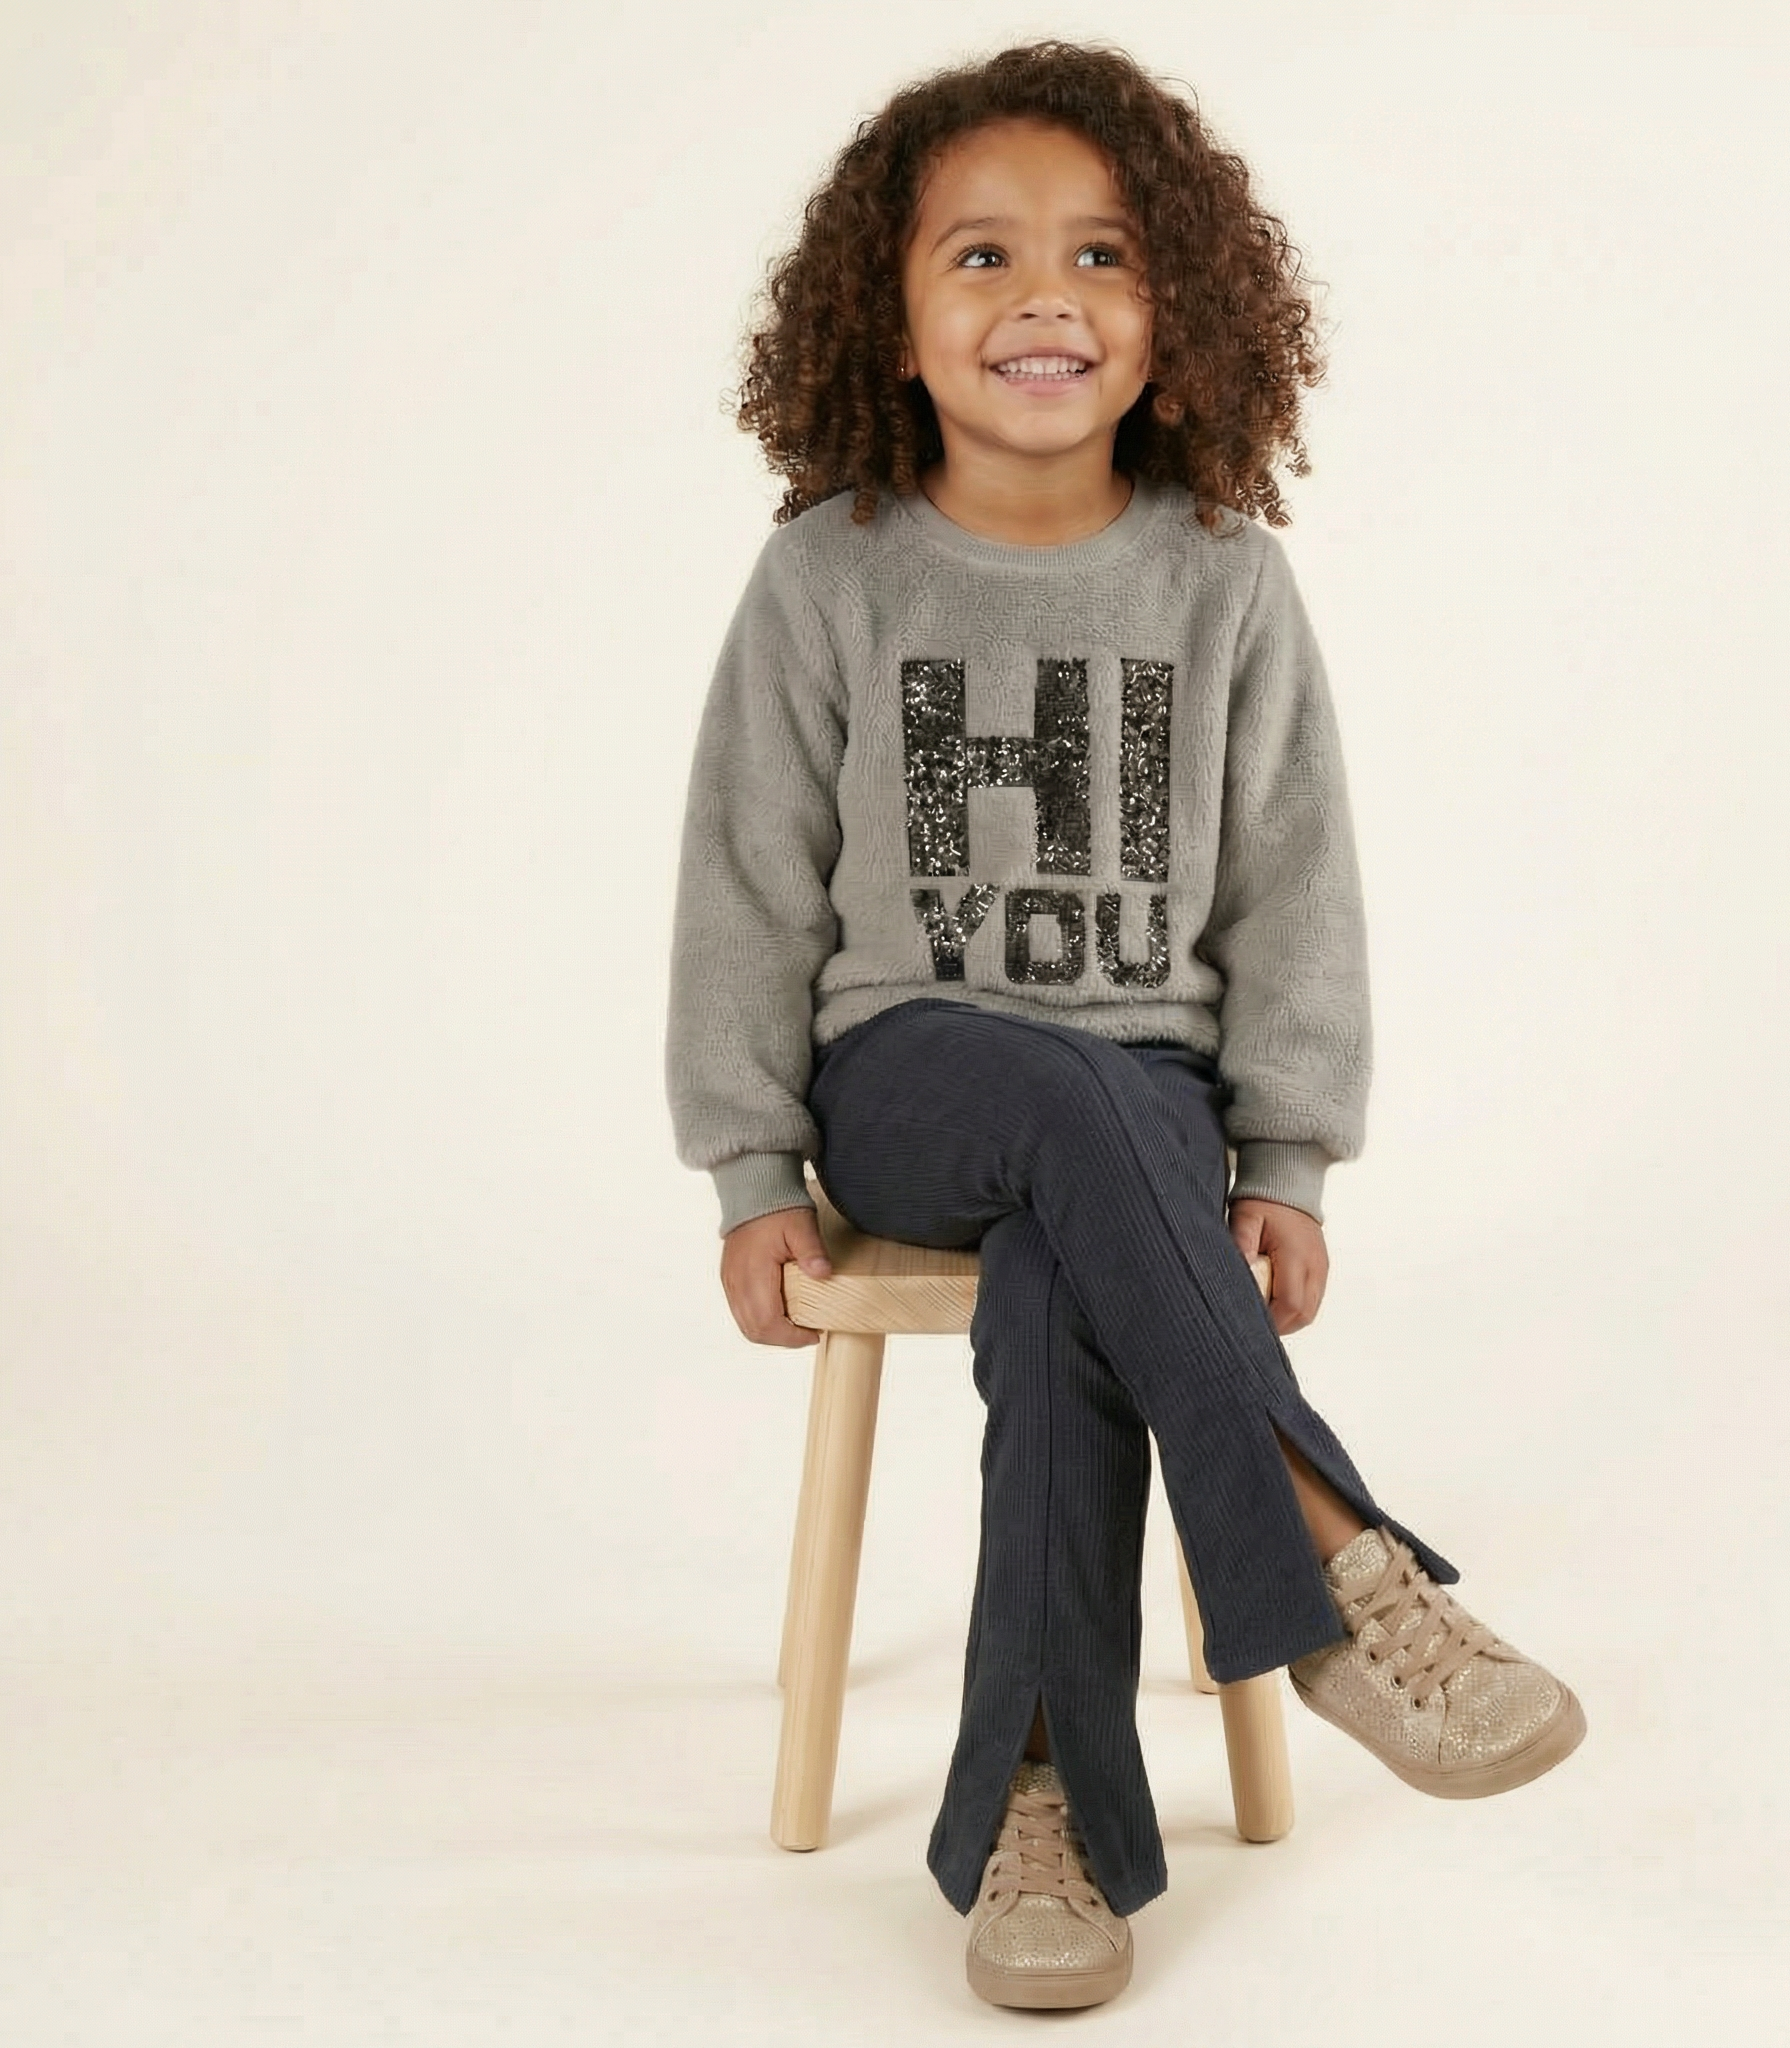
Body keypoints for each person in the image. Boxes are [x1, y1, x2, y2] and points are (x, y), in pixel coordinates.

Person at [666, 39, 1585, 2011]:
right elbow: (745, 880)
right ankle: (1332, 1561)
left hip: (1149, 1109)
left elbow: (1293, 888)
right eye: (981, 256)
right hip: (907, 1077)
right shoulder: (829, 575)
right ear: (888, 318)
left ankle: (1047, 1813)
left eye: (1100, 255)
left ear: (1179, 318)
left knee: (1065, 1271)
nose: (1044, 297)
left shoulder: (1222, 579)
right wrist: (749, 1160)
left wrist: (1287, 1153)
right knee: (1062, 1110)